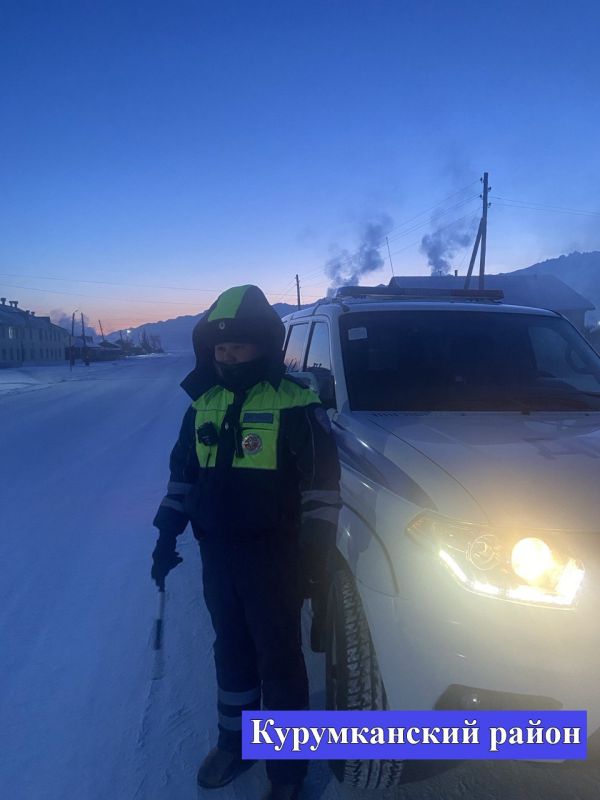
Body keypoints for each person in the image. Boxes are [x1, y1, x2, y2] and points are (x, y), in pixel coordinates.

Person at [151, 284, 341, 800]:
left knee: (278, 659)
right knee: (231, 651)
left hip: (275, 557)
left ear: (264, 346)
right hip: (218, 554)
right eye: (220, 347)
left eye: (238, 346)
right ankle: (235, 744)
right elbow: (182, 477)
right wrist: (166, 533)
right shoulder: (203, 405)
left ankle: (287, 772)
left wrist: (315, 553)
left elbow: (322, 489)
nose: (228, 355)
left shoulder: (296, 402)